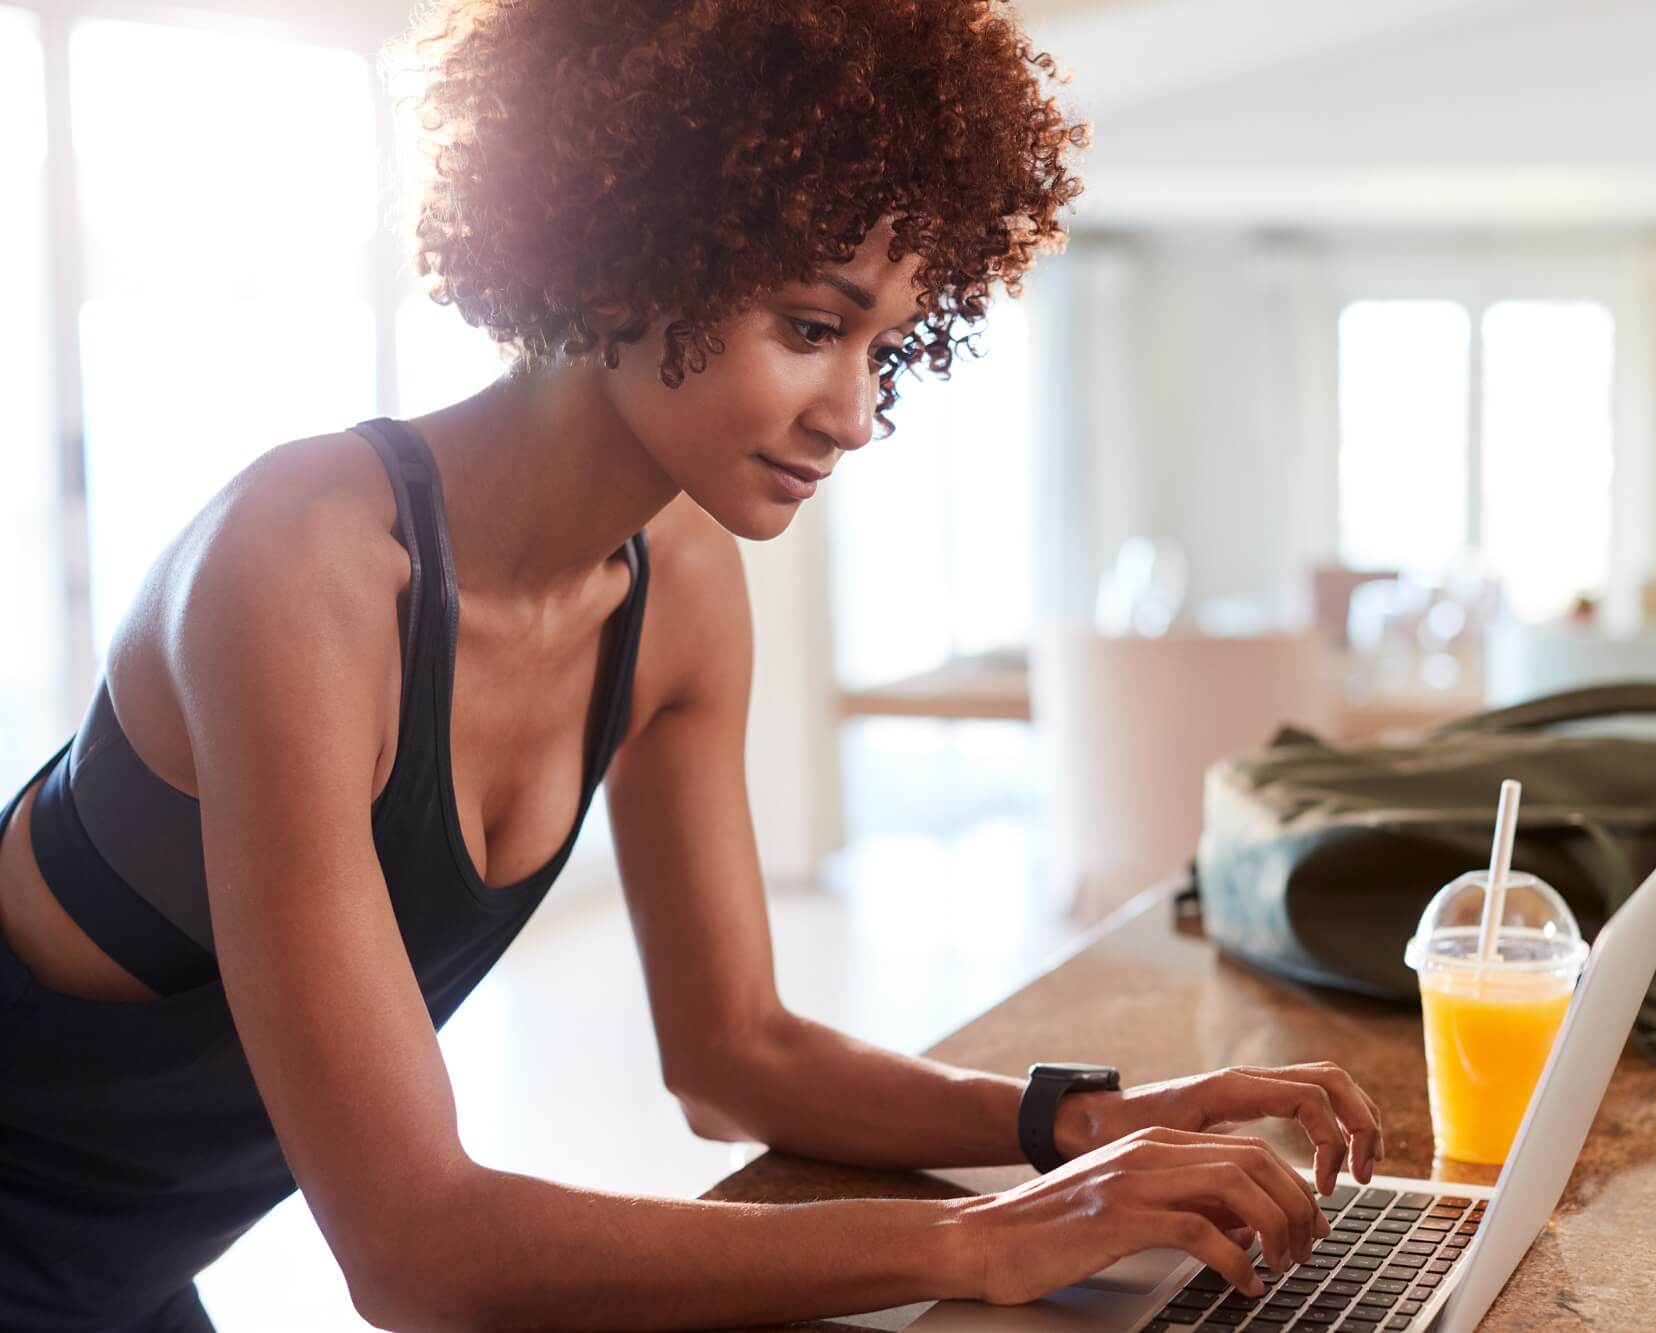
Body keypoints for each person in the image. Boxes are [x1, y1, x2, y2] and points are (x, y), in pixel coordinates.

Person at [0, 1, 1384, 1328]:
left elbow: (733, 1054)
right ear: (624, 253)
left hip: (113, 1280)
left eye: (886, 344)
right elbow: (415, 1250)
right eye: (809, 325)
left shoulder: (682, 588)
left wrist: (1075, 1118)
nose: (855, 413)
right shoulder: (303, 568)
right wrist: (987, 1236)